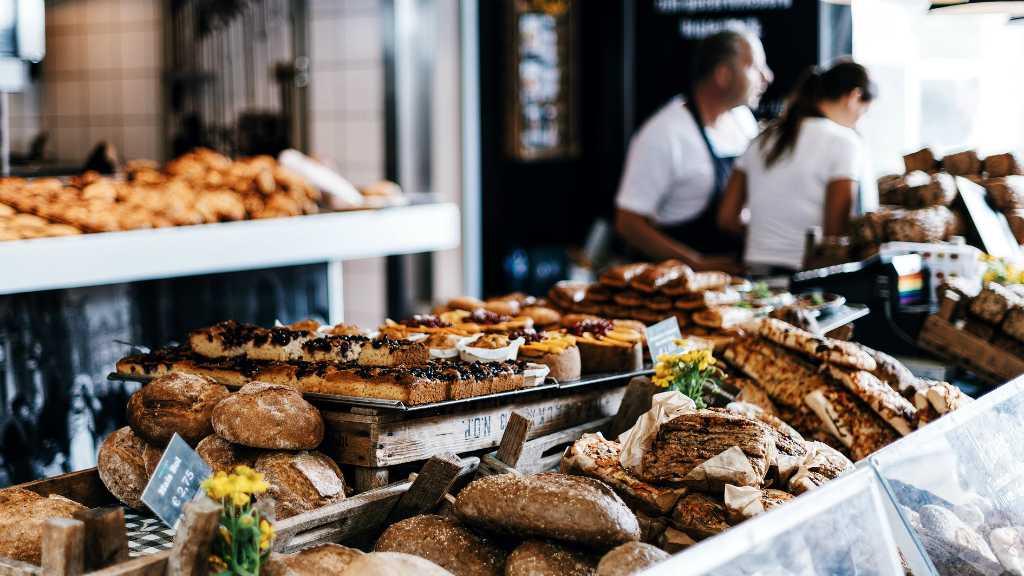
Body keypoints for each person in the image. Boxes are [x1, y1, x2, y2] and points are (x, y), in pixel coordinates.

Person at [615, 28, 773, 272]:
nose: (767, 77)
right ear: (723, 75)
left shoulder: (742, 120)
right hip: (677, 286)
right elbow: (628, 223)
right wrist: (695, 264)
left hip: (736, 278)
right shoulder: (664, 133)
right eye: (754, 67)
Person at [717, 60, 876, 274]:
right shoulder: (845, 142)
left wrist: (768, 237)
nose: (859, 121)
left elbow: (727, 219)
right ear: (854, 97)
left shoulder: (762, 139)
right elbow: (835, 235)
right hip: (808, 280)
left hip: (755, 274)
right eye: (864, 112)